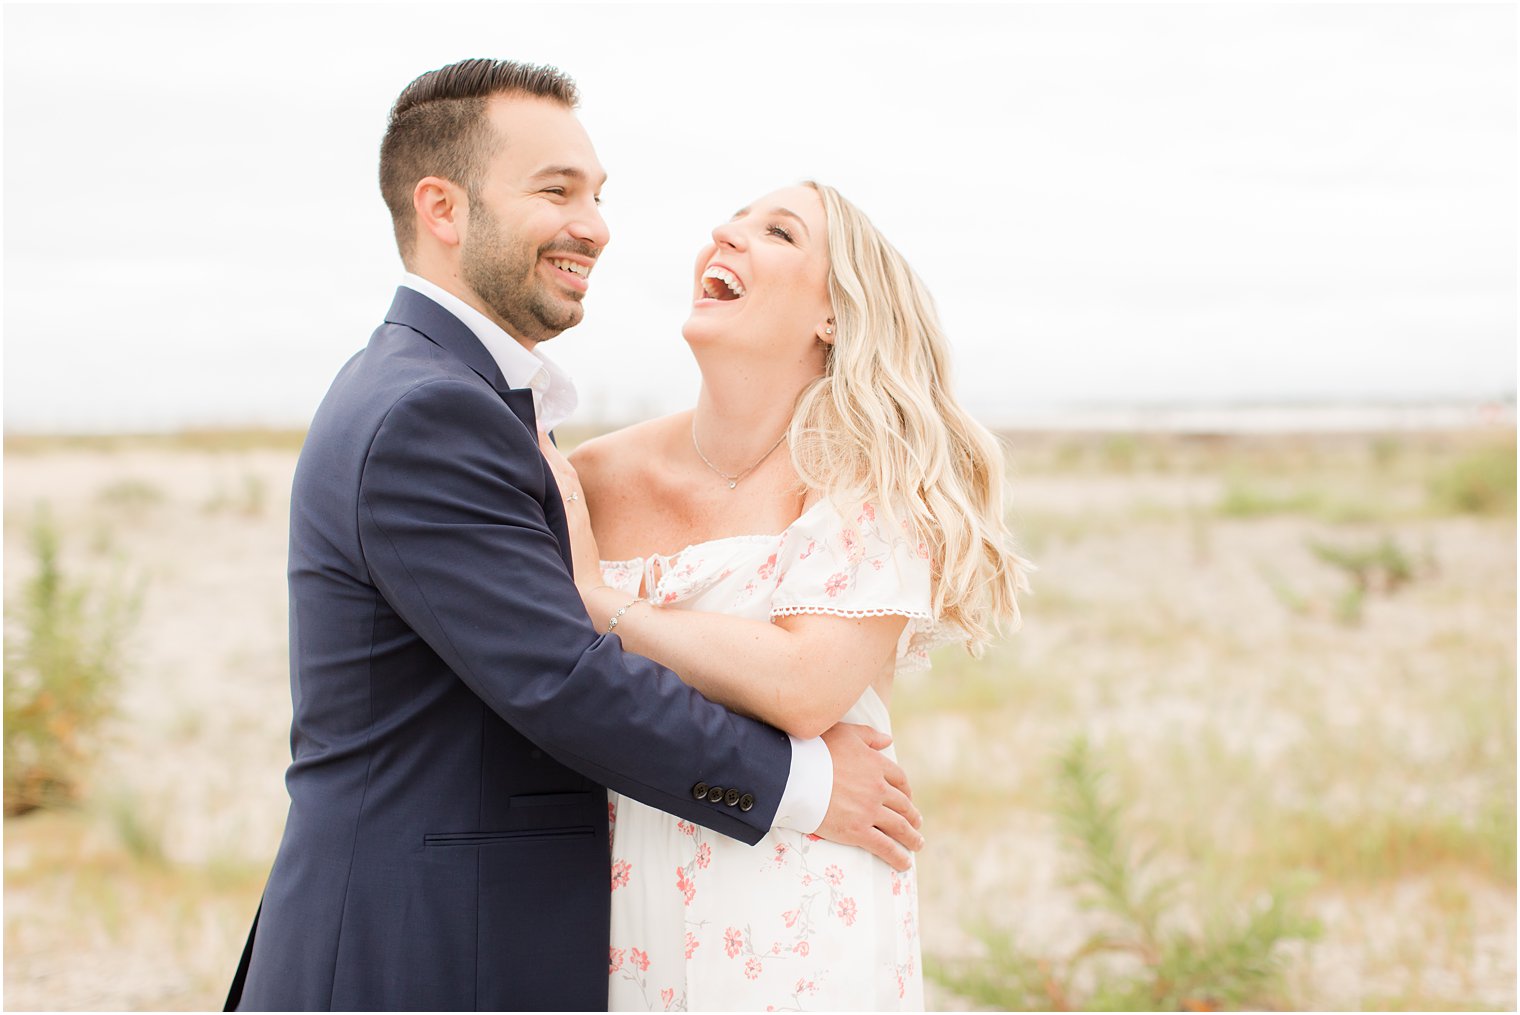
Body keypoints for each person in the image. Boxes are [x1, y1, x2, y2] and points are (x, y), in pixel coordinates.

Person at [226, 60, 925, 1012]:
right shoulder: (432, 412)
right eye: (555, 190)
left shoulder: (466, 402)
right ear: (443, 207)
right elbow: (562, 676)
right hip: (415, 948)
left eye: (596, 194)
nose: (593, 223)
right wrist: (804, 785)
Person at [541, 182, 1031, 1010]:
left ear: (833, 315)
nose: (724, 235)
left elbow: (805, 686)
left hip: (788, 899)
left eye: (776, 231)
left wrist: (601, 604)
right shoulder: (592, 476)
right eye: (727, 223)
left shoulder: (871, 476)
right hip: (612, 882)